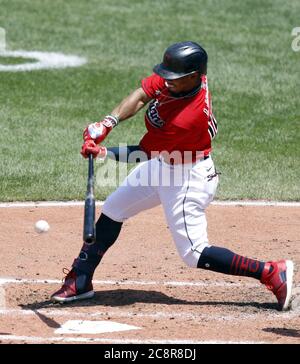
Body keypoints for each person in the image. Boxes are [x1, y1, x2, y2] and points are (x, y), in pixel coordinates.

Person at [51, 41, 294, 311]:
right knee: (114, 208)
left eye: (173, 78)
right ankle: (81, 278)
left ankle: (271, 271)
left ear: (193, 77)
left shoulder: (188, 117)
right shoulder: (182, 79)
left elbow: (143, 153)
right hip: (165, 163)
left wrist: (103, 152)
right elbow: (143, 94)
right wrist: (107, 123)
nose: (165, 82)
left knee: (194, 253)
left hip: (187, 176)